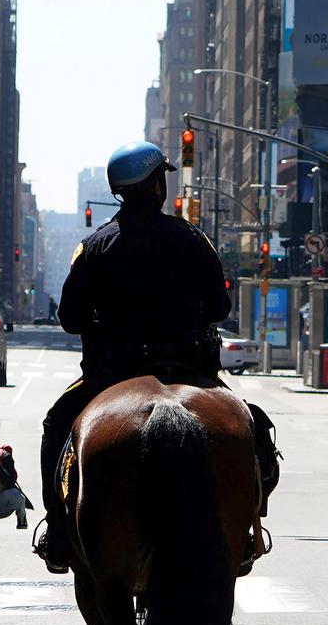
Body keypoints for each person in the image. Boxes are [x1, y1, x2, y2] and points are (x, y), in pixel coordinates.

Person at [35, 141, 279, 575]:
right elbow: (220, 308)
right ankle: (244, 531)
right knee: (253, 430)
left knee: (57, 427)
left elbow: (70, 319)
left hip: (110, 376)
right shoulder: (193, 240)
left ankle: (57, 534)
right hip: (189, 371)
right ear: (156, 186)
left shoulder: (94, 247)